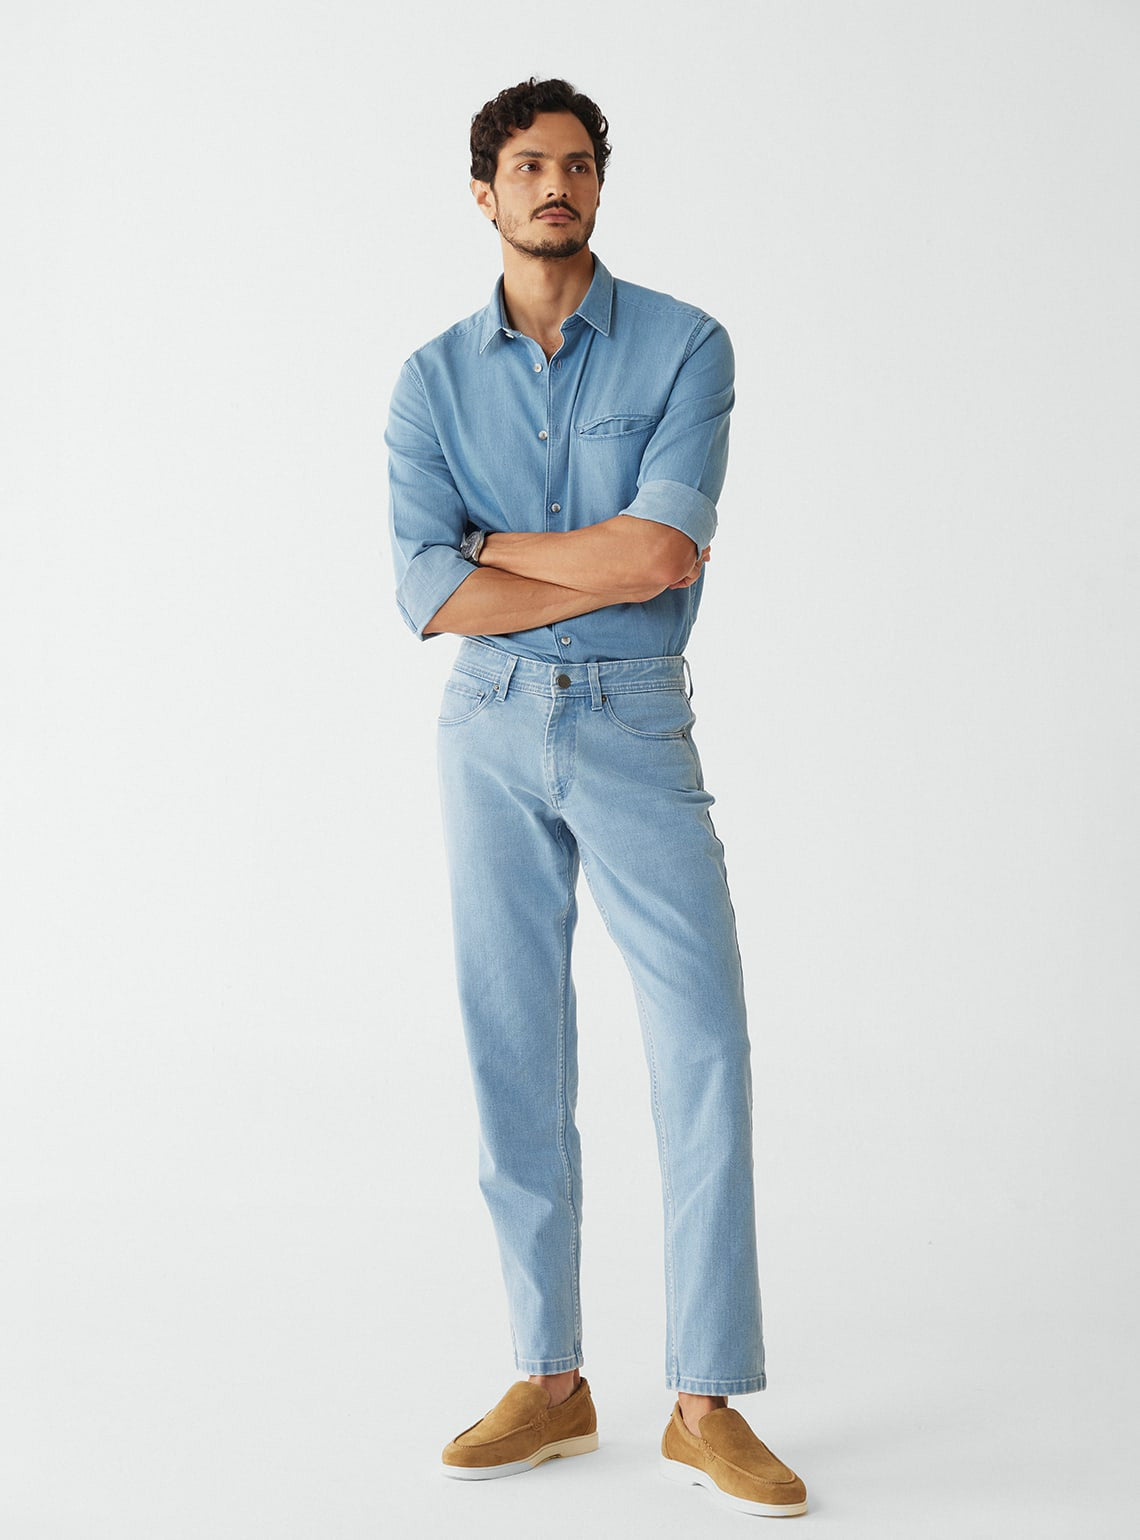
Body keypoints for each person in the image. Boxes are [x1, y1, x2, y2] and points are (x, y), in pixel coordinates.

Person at [386, 76, 808, 1518]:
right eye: (526, 166)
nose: (552, 185)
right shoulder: (430, 380)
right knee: (514, 1045)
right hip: (488, 727)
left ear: (600, 186)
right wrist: (562, 558)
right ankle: (551, 1379)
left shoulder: (688, 344)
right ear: (485, 193)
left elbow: (661, 557)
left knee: (703, 1042)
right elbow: (425, 590)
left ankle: (704, 1399)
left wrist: (497, 544)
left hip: (635, 721)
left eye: (574, 164)